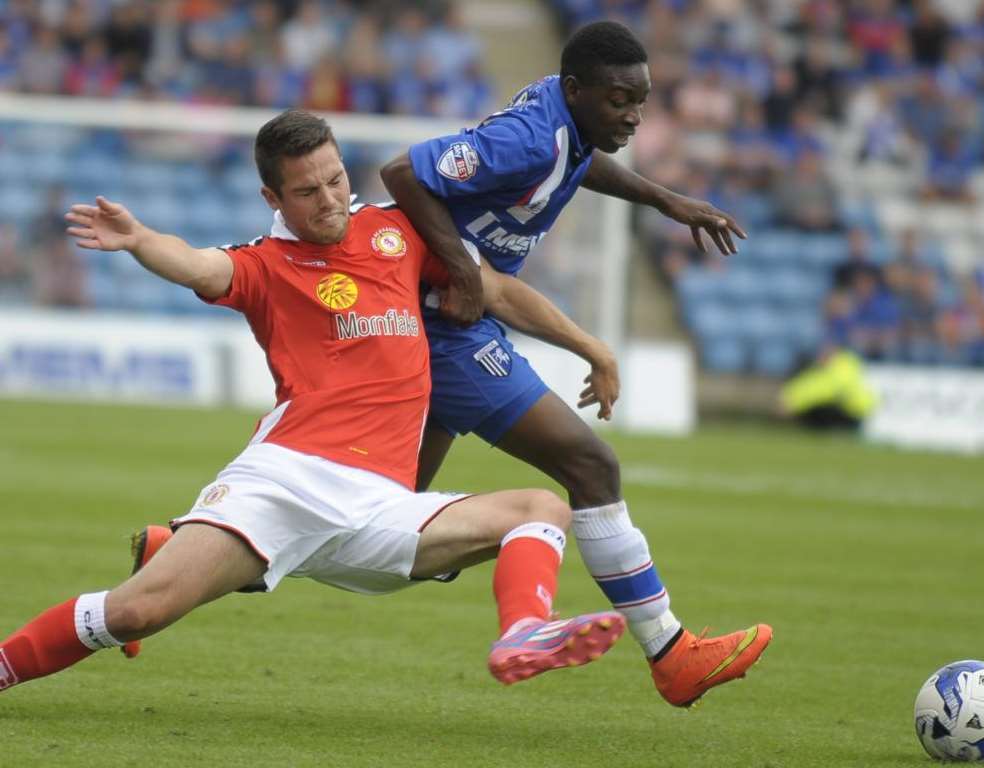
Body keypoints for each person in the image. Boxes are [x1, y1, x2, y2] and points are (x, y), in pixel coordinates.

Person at [0, 109, 627, 696]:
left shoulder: (396, 232)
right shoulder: (266, 265)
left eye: (335, 180)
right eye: (307, 192)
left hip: (380, 503)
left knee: (541, 508)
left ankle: (522, 631)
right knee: (137, 611)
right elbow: (196, 265)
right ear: (272, 199)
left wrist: (589, 347)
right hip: (286, 482)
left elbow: (496, 292)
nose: (329, 201)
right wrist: (139, 240)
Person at [379, 20, 771, 708]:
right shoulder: (526, 139)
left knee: (380, 517)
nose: (633, 115)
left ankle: (201, 547)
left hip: (452, 312)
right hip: (444, 322)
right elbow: (403, 171)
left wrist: (663, 198)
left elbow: (581, 157)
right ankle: (671, 652)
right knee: (591, 465)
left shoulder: (570, 126)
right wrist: (461, 270)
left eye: (640, 101)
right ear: (575, 89)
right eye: (620, 100)